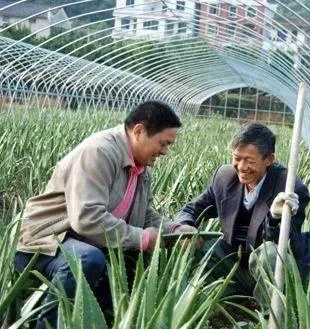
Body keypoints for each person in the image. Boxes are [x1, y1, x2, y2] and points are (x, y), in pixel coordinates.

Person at [13, 100, 191, 328]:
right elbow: (86, 217)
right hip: (45, 242)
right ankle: (45, 325)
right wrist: (142, 238)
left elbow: (145, 215)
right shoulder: (99, 152)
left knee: (127, 275)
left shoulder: (142, 169)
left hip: (85, 244)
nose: (165, 151)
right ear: (139, 131)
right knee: (87, 260)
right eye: (163, 143)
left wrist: (175, 230)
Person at [170, 122, 310, 303]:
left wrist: (274, 218)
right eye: (237, 158)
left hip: (268, 275)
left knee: (270, 253)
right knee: (194, 244)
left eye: (250, 161)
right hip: (233, 262)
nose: (242, 167)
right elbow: (192, 209)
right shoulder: (225, 177)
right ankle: (217, 299)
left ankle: (269, 313)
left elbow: (288, 244)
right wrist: (184, 226)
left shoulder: (290, 188)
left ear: (269, 159)